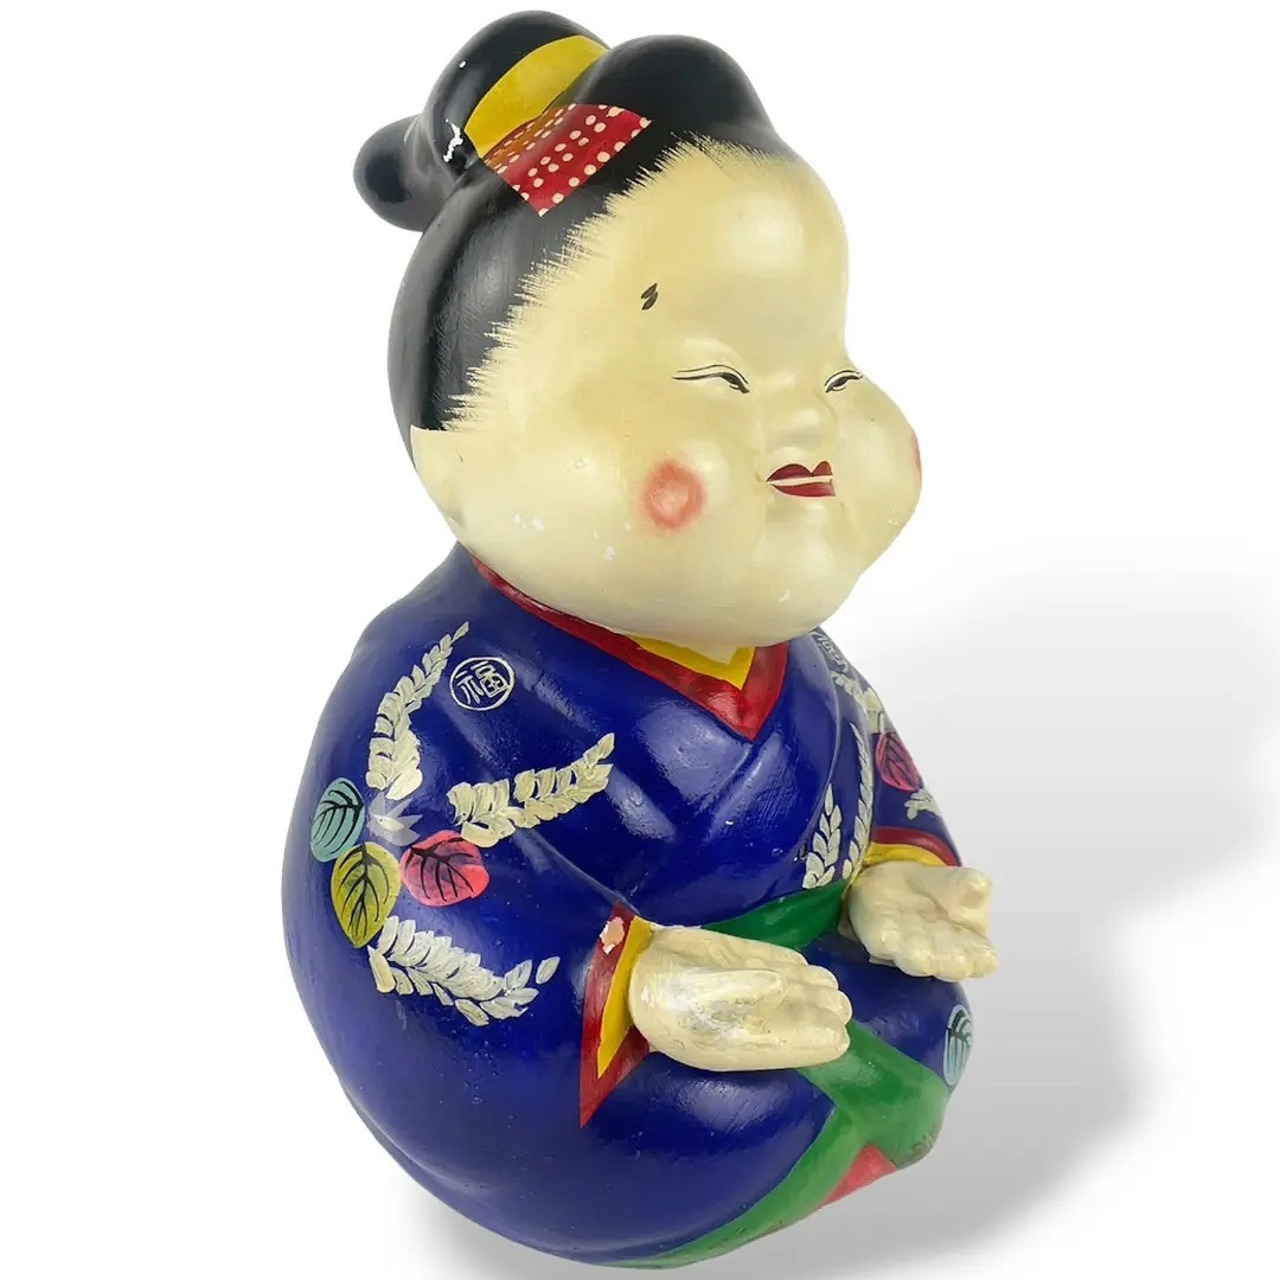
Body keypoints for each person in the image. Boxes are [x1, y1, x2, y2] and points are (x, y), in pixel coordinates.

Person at [284, 11, 997, 1266]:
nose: (807, 425)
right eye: (717, 381)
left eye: (830, 370)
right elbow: (380, 902)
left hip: (815, 1005)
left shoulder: (789, 651)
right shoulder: (432, 684)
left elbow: (877, 776)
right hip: (598, 1093)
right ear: (465, 448)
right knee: (697, 1116)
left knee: (916, 1011)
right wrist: (635, 985)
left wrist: (896, 871)